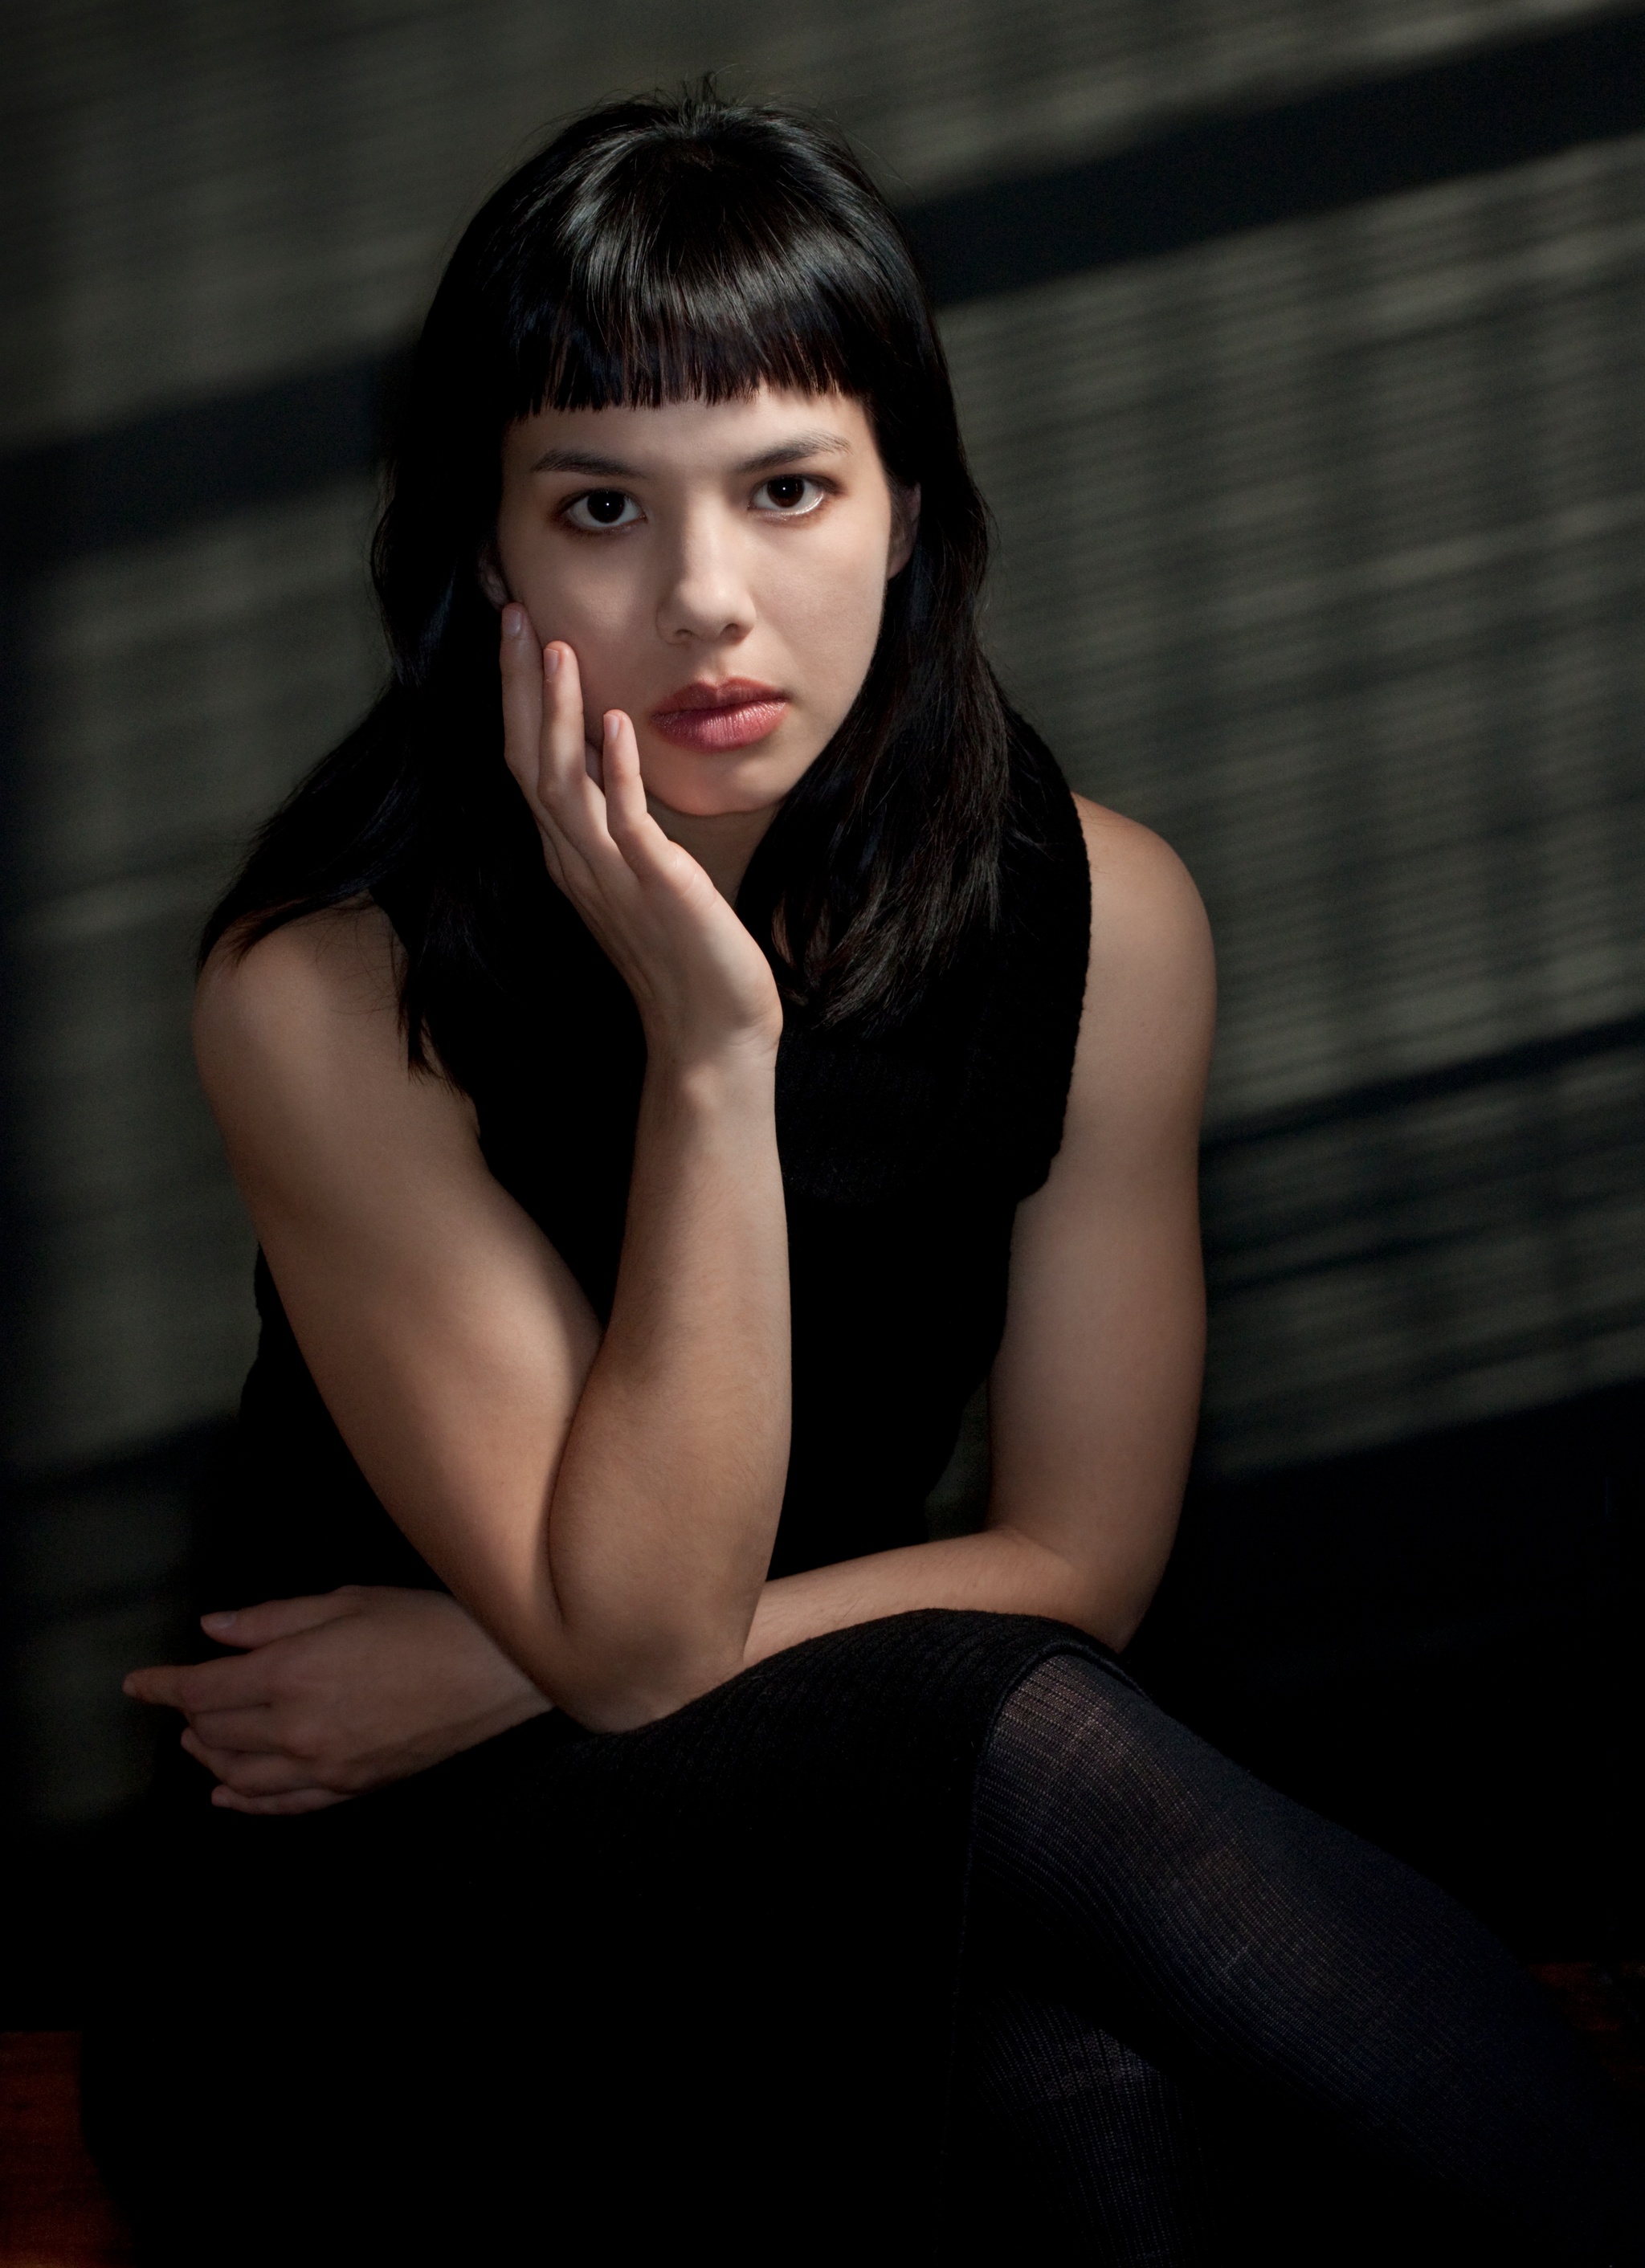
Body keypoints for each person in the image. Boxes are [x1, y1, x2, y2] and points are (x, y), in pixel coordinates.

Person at [83, 87, 1640, 2266]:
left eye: (789, 488)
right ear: (491, 551)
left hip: (804, 1830)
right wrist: (712, 1052)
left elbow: (1075, 1556)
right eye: (604, 505)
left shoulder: (1098, 921)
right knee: (1016, 1744)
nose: (708, 600)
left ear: (906, 510)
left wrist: (491, 1656)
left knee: (1088, 2108)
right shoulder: (327, 985)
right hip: (373, 1925)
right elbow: (640, 1640)